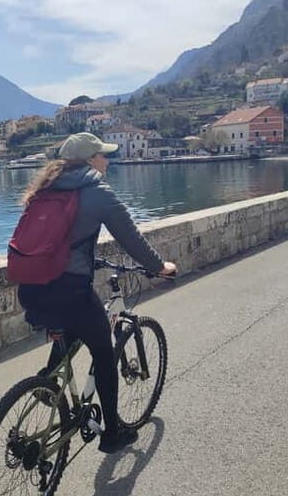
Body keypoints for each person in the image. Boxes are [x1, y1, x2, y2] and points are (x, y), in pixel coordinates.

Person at [16, 132, 177, 453]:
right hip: (69, 291)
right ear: (90, 160)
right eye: (104, 155)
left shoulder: (44, 190)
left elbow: (54, 243)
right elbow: (131, 239)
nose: (109, 160)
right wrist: (160, 267)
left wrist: (89, 259)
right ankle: (113, 433)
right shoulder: (97, 192)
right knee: (103, 351)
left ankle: (48, 382)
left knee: (74, 328)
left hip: (31, 289)